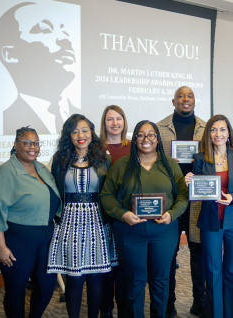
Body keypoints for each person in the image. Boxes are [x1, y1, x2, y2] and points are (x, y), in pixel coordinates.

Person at [100, 120, 189, 317]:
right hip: (130, 232)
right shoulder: (122, 165)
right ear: (134, 139)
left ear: (157, 139)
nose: (146, 139)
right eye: (140, 135)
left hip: (164, 232)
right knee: (134, 281)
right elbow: (106, 195)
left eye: (151, 135)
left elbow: (183, 196)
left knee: (161, 281)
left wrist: (171, 214)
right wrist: (123, 214)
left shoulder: (170, 165)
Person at [0, 126, 61, 318]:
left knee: (46, 284)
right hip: (15, 238)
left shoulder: (41, 168)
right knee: (16, 288)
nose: (32, 147)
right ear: (16, 145)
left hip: (45, 237)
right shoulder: (4, 173)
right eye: (26, 142)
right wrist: (1, 247)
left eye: (35, 143)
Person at [185, 114, 233, 318]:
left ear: (229, 133)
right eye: (214, 130)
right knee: (212, 269)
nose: (218, 134)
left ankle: (230, 314)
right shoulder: (200, 158)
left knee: (232, 270)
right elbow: (196, 192)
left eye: (222, 129)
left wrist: (232, 197)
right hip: (210, 221)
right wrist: (190, 180)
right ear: (208, 133)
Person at [47, 114, 115, 318]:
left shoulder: (104, 157)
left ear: (92, 133)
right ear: (69, 135)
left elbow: (109, 190)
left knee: (96, 277)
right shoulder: (60, 159)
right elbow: (54, 190)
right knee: (74, 277)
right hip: (70, 222)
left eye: (85, 130)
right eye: (75, 131)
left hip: (97, 221)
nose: (80, 135)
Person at [157, 86, 207, 317]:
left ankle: (200, 301)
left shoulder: (206, 128)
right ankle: (168, 304)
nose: (185, 99)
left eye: (190, 96)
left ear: (195, 101)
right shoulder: (159, 128)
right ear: (173, 101)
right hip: (171, 199)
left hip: (197, 199)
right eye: (181, 96)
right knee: (169, 253)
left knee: (198, 252)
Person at [0, 2, 78, 135]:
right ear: (10, 54)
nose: (64, 39)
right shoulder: (4, 120)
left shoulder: (80, 116)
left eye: (63, 30)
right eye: (45, 30)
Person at [99, 105, 131, 317]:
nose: (114, 123)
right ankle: (106, 310)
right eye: (110, 119)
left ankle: (124, 310)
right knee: (106, 268)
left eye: (118, 118)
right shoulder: (97, 149)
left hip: (128, 214)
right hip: (103, 213)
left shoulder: (133, 146)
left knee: (123, 267)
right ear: (104, 123)